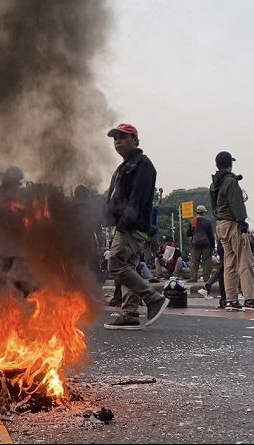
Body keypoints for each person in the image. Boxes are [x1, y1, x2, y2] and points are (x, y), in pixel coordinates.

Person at [103, 123, 168, 330]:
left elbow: (136, 199)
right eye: (115, 138)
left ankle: (153, 299)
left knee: (116, 264)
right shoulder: (125, 166)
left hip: (130, 226)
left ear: (135, 140)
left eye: (123, 137)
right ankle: (129, 314)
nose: (118, 141)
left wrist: (123, 225)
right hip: (123, 225)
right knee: (129, 267)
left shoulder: (142, 165)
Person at [210, 151, 254, 312]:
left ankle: (231, 300)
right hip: (233, 224)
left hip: (221, 224)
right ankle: (249, 299)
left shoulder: (214, 183)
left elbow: (214, 207)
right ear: (230, 164)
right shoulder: (231, 181)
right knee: (245, 261)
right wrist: (243, 226)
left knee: (229, 263)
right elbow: (237, 205)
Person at [186, 204, 215, 283]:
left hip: (195, 245)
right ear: (203, 213)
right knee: (207, 261)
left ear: (197, 212)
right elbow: (211, 235)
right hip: (206, 245)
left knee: (194, 262)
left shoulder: (193, 221)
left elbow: (187, 234)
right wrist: (213, 245)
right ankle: (206, 277)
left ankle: (193, 277)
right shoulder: (207, 222)